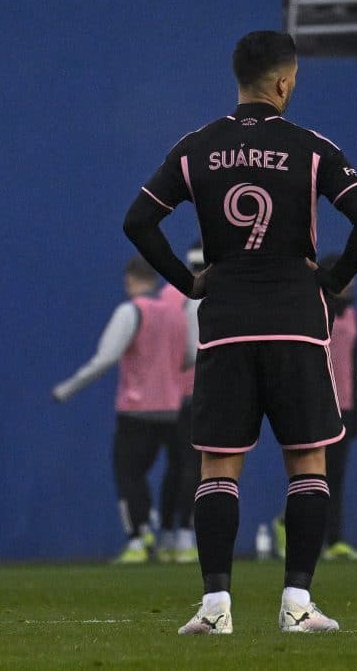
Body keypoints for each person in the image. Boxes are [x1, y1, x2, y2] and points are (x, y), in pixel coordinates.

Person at [123, 30, 357, 634]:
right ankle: (297, 604)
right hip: (296, 323)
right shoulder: (312, 148)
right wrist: (332, 280)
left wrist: (189, 282)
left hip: (227, 323)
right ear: (284, 82)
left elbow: (138, 221)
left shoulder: (195, 148)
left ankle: (215, 608)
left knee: (218, 468)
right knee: (308, 462)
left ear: (238, 78)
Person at [52, 256, 188, 564]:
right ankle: (163, 532)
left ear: (129, 279)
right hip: (172, 409)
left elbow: (106, 357)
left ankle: (139, 536)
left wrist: (67, 389)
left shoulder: (131, 311)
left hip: (136, 411)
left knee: (128, 473)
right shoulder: (175, 314)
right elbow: (190, 354)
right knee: (168, 471)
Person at [272, 253, 357, 561]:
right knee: (311, 473)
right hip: (314, 399)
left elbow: (353, 362)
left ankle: (334, 539)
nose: (352, 282)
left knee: (335, 475)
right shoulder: (311, 305)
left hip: (344, 403)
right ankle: (286, 524)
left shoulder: (352, 315)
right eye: (347, 276)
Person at [154, 241, 205, 564]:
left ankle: (167, 534)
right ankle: (184, 533)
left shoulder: (166, 296)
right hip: (198, 392)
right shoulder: (205, 295)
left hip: (169, 396)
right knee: (193, 466)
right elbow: (193, 351)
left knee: (175, 467)